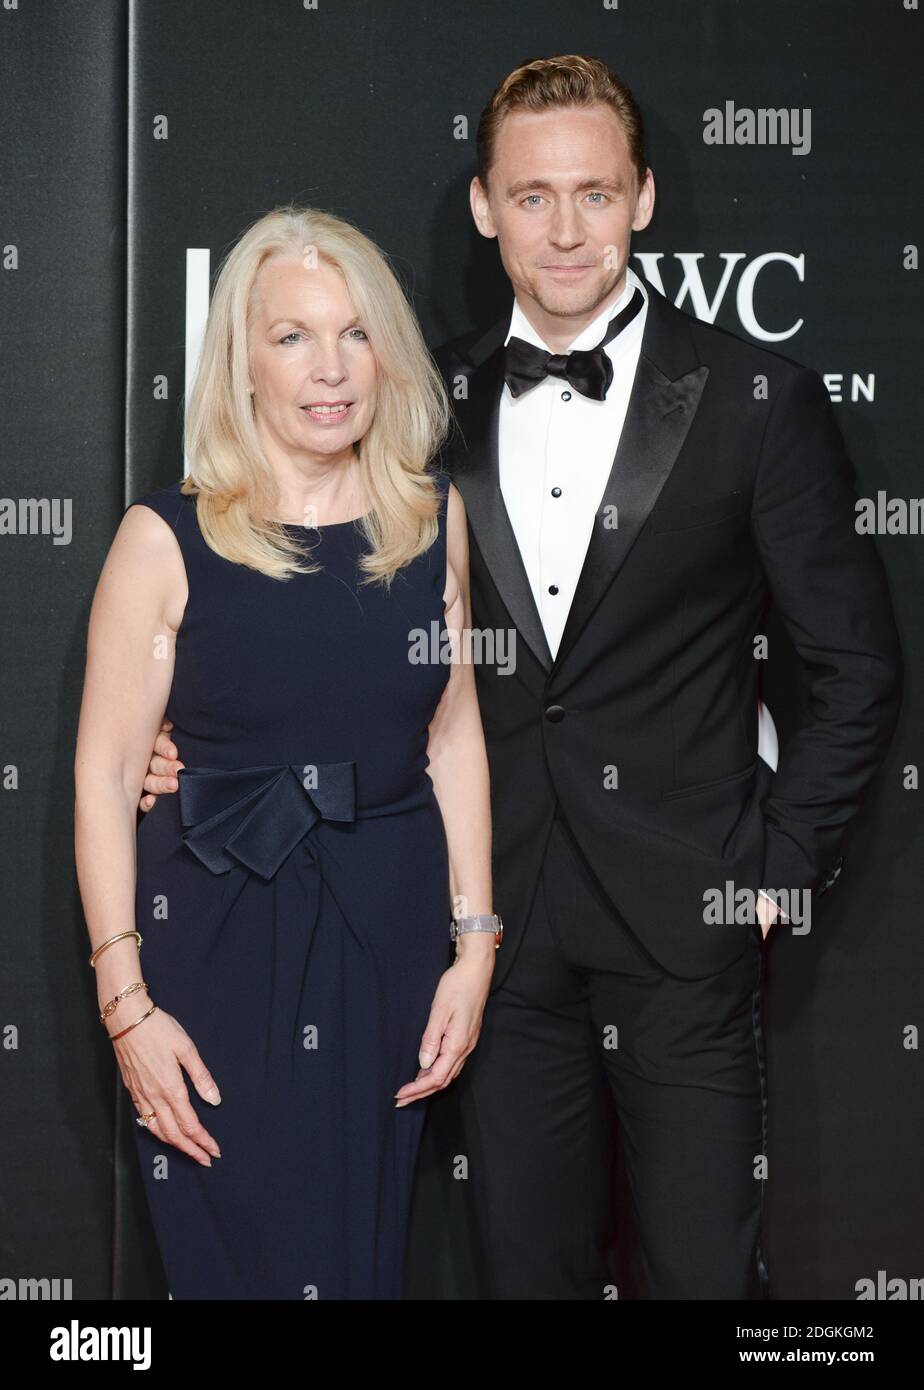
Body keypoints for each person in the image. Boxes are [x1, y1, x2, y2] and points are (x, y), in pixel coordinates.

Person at [141, 56, 904, 1299]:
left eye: (595, 195)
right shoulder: (418, 404)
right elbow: (317, 620)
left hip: (685, 916)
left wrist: (780, 866)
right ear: (487, 207)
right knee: (522, 1272)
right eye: (534, 196)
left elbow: (856, 661)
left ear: (644, 199)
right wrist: (177, 747)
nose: (566, 229)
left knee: (710, 1271)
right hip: (488, 933)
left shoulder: (755, 401)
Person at [74, 204, 499, 1301]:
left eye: (356, 333)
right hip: (211, 948)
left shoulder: (428, 519)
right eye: (294, 335)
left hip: (389, 942)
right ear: (242, 361)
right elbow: (108, 773)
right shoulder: (163, 538)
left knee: (362, 1260)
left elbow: (451, 735)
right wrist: (127, 1005)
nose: (332, 368)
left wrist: (476, 942)